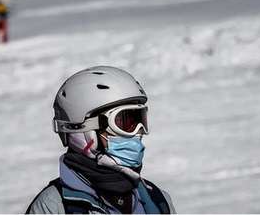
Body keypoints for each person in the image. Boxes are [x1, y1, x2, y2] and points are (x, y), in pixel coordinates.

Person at [26, 66, 175, 214]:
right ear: (85, 131)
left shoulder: (158, 202)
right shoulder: (53, 208)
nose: (138, 132)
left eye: (140, 119)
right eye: (125, 122)